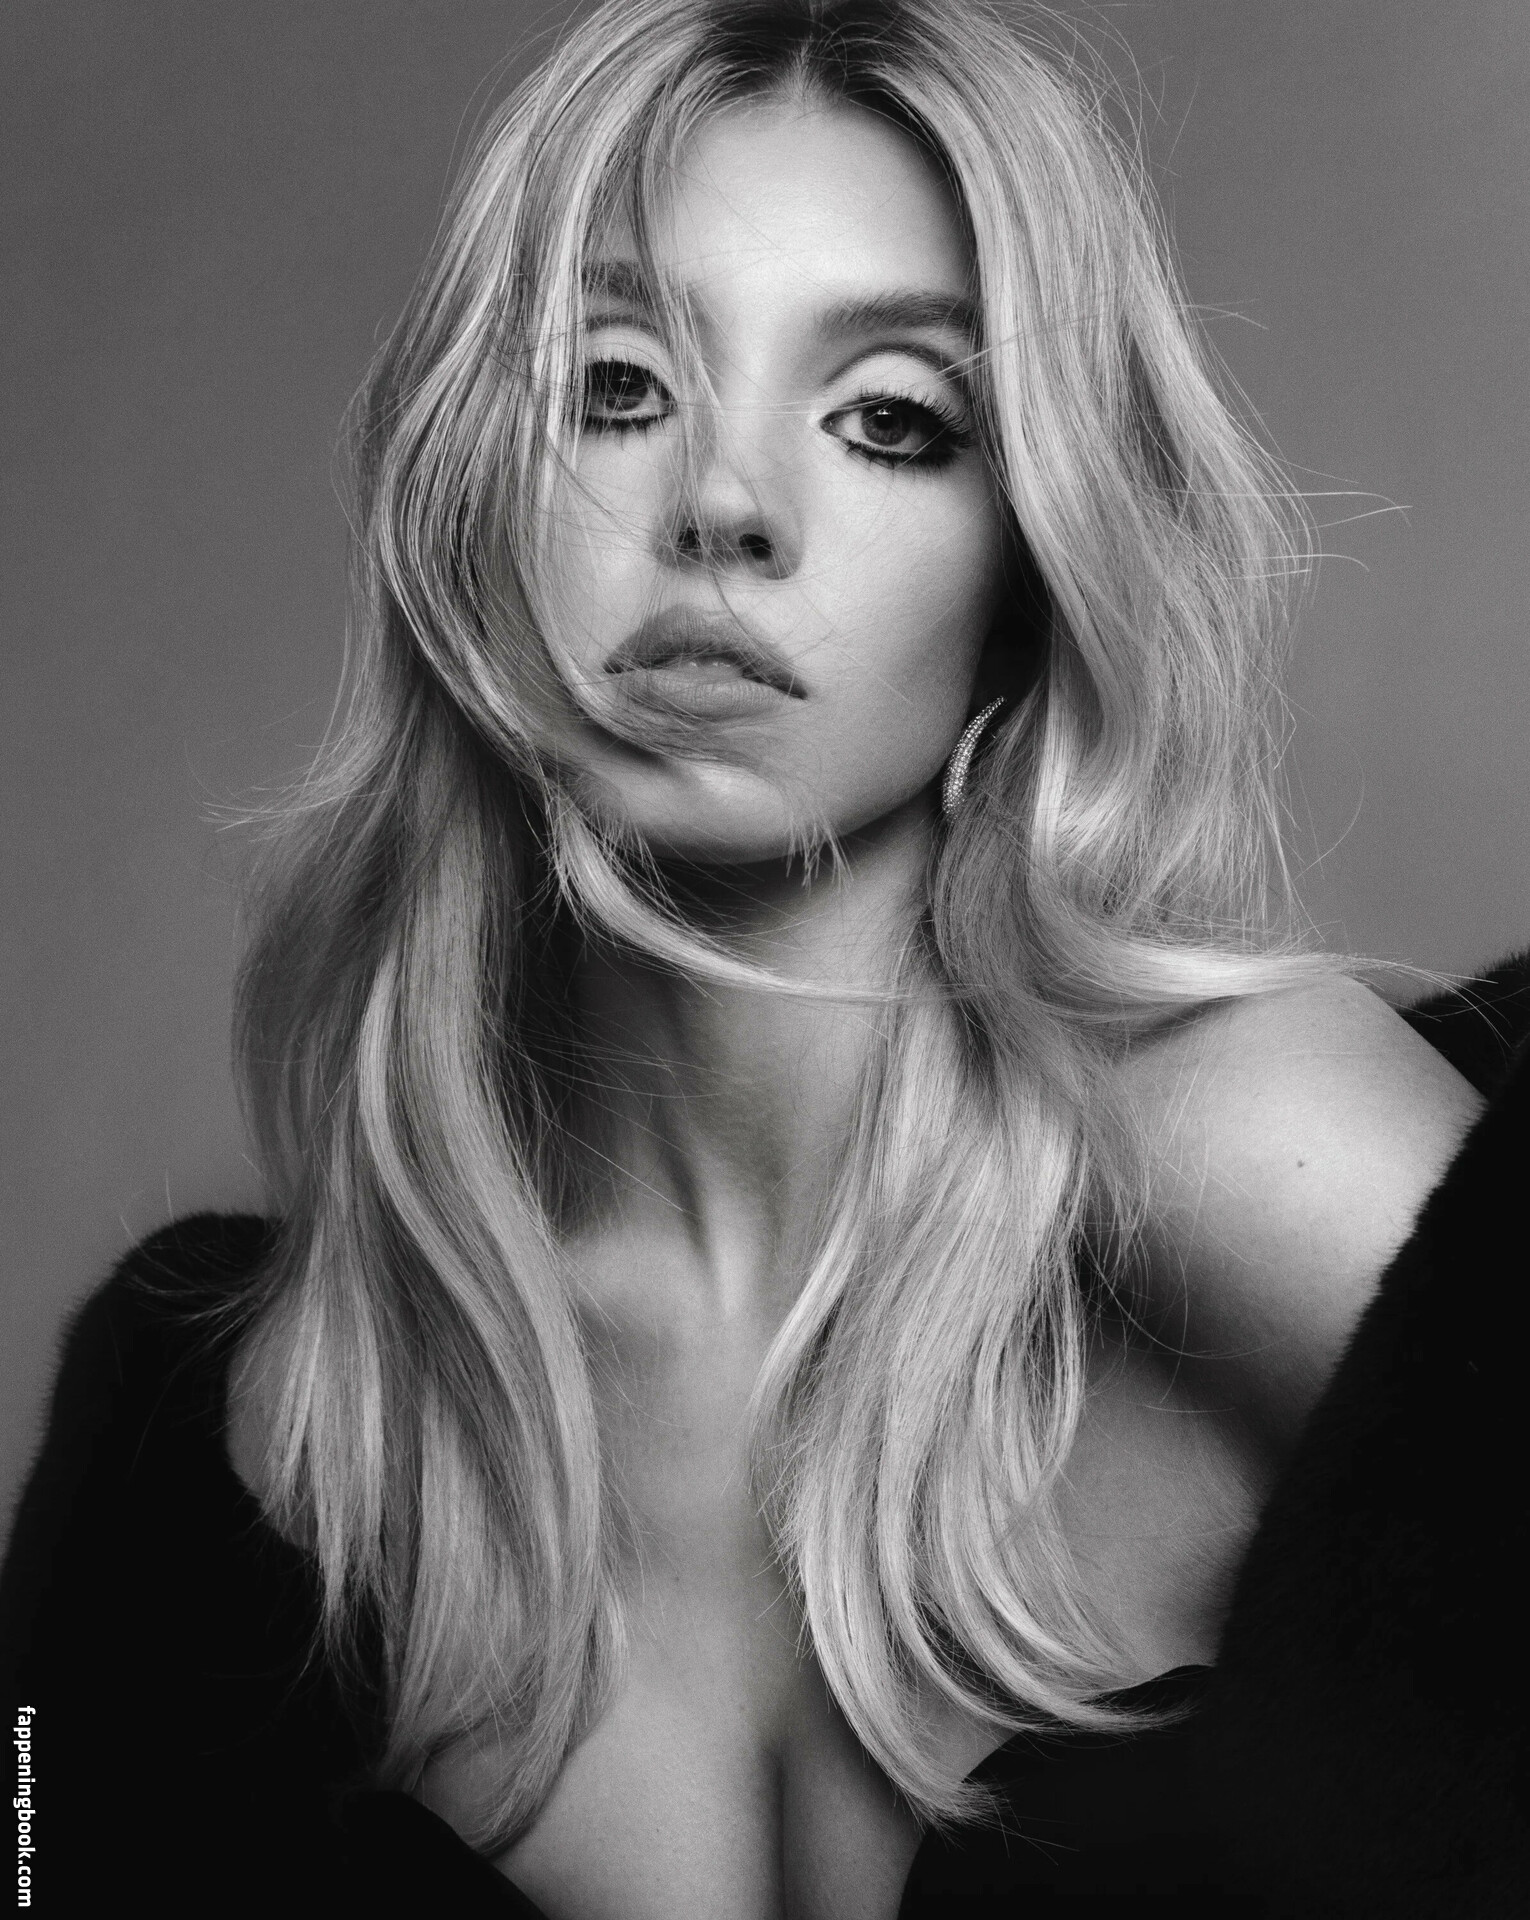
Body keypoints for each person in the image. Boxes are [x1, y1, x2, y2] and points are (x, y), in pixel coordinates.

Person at [3, 2, 1527, 1914]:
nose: (722, 505)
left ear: (1028, 576)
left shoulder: (1231, 1136)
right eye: (616, 387)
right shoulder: (244, 1437)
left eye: (890, 419)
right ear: (470, 509)